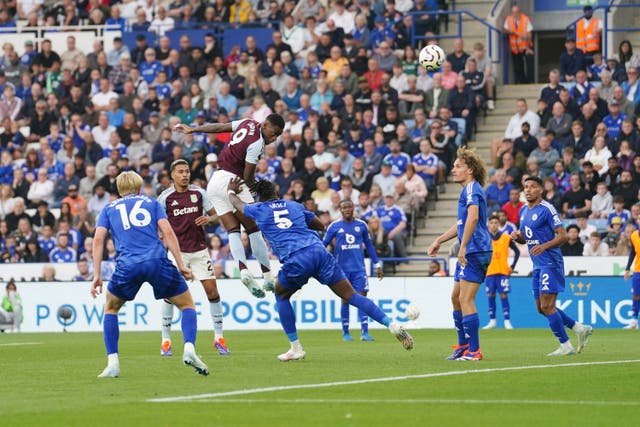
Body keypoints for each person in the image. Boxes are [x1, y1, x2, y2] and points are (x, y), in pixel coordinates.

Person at [227, 177, 413, 361]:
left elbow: (239, 205)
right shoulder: (294, 205)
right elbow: (319, 225)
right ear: (276, 193)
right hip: (319, 252)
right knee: (352, 296)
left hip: (296, 258)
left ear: (260, 197)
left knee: (281, 295)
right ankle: (392, 325)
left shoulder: (259, 209)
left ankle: (296, 348)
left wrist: (230, 191)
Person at [90, 171, 208, 378]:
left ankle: (113, 363)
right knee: (187, 305)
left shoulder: (108, 208)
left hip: (128, 265)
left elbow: (98, 240)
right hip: (157, 261)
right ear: (138, 187)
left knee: (110, 309)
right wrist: (180, 263)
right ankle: (189, 348)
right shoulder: (152, 203)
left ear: (119, 190)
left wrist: (97, 274)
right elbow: (168, 232)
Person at [173, 114, 285, 298]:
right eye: (274, 133)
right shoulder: (257, 143)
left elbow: (220, 127)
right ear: (265, 125)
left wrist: (193, 129)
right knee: (253, 229)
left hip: (215, 181)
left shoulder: (248, 122)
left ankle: (243, 271)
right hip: (233, 180)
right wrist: (256, 189)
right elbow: (248, 176)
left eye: (278, 136)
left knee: (233, 230)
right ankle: (267, 275)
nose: (274, 138)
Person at [511, 176, 593, 356]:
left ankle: (566, 346)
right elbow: (530, 237)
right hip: (538, 264)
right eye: (526, 186)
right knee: (541, 308)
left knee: (548, 306)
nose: (528, 190)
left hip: (551, 262)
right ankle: (579, 328)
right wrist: (519, 237)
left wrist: (544, 246)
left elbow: (562, 235)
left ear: (541, 190)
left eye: (533, 186)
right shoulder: (523, 211)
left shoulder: (547, 209)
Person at [157, 159, 229, 356]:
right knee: (170, 296)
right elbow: (158, 226)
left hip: (199, 250)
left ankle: (219, 337)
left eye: (187, 171)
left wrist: (210, 218)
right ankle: (166, 340)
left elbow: (217, 215)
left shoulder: (199, 193)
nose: (185, 175)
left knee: (212, 291)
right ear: (172, 175)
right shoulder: (165, 198)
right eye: (180, 172)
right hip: (176, 253)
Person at [427, 148, 492, 361]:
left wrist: (462, 246)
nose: (453, 170)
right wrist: (439, 240)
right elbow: (462, 223)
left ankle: (475, 350)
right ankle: (463, 346)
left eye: (458, 166)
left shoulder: (472, 188)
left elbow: (473, 219)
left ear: (470, 170)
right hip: (471, 249)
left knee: (465, 298)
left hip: (476, 249)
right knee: (456, 297)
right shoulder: (467, 190)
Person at [323, 199, 384, 342]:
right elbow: (323, 245)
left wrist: (377, 264)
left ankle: (365, 332)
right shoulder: (334, 226)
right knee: (345, 299)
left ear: (353, 208)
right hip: (341, 270)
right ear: (340, 210)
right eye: (344, 207)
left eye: (350, 206)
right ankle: (345, 332)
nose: (347, 209)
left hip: (359, 269)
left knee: (362, 298)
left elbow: (369, 245)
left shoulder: (361, 225)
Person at [483, 215, 520, 330]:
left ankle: (507, 321)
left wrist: (512, 266)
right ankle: (492, 321)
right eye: (492, 223)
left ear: (499, 224)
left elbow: (517, 251)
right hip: (489, 271)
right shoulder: (485, 238)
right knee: (491, 295)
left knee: (503, 295)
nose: (494, 225)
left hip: (503, 271)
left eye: (495, 222)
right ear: (488, 224)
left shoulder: (505, 237)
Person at [503, 4, 534, 84]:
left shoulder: (525, 19)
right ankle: (523, 82)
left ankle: (530, 81)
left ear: (520, 12)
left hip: (526, 46)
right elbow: (504, 30)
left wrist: (528, 48)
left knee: (529, 64)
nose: (515, 14)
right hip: (515, 48)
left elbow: (529, 34)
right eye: (513, 12)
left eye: (516, 12)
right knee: (518, 67)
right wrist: (516, 33)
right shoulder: (509, 19)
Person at [623, 227, 640, 329]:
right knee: (636, 295)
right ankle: (634, 321)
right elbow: (633, 252)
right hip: (638, 270)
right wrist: (627, 268)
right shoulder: (634, 235)